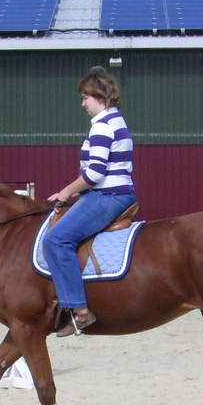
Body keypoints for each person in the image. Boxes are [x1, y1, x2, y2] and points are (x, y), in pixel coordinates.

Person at [43, 66, 136, 337]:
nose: (83, 104)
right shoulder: (116, 122)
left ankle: (80, 311)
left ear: (101, 98)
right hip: (114, 193)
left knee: (55, 240)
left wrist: (65, 192)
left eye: (86, 98)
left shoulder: (103, 127)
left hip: (107, 195)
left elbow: (94, 174)